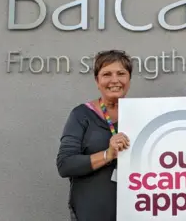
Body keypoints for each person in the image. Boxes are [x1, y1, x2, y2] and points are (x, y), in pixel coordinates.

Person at [56, 50, 132, 221]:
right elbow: (65, 164)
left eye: (121, 73)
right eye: (106, 74)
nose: (115, 80)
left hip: (135, 212)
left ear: (129, 79)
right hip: (90, 213)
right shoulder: (81, 115)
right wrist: (108, 154)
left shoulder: (141, 115)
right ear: (97, 81)